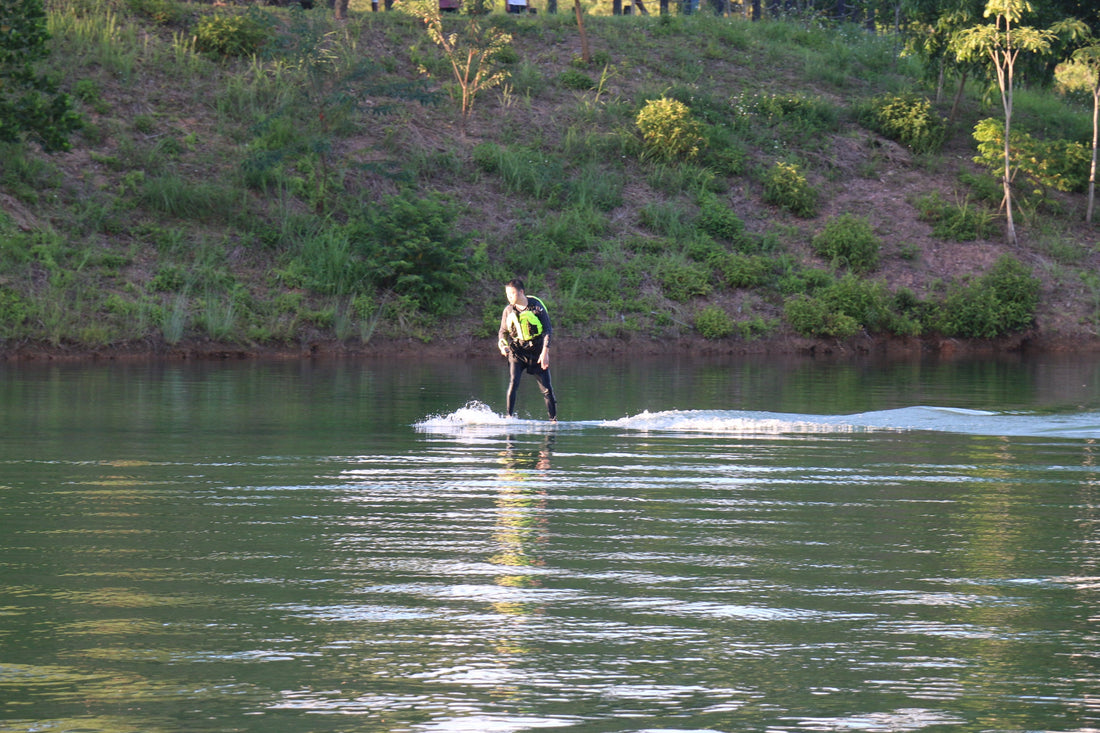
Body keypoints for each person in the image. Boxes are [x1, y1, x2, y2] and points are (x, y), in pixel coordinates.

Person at [498, 278, 557, 420]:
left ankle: (553, 420)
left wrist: (545, 353)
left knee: (547, 389)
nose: (509, 297)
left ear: (521, 292)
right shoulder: (508, 310)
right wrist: (503, 346)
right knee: (513, 382)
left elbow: (548, 330)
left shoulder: (536, 307)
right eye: (507, 294)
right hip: (517, 351)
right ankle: (509, 417)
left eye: (512, 294)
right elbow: (503, 332)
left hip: (537, 351)